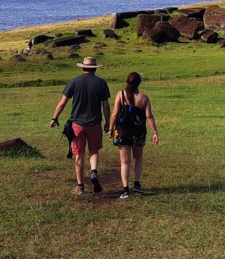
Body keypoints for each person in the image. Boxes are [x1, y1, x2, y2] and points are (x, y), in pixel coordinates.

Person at [49, 56, 111, 197]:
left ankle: (80, 186)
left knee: (79, 154)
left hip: (77, 124)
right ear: (94, 68)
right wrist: (108, 123)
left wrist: (55, 117)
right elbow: (106, 105)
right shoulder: (101, 83)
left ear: (82, 67)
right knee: (94, 150)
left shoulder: (74, 82)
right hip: (95, 123)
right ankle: (94, 171)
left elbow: (62, 102)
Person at [110, 71, 160, 199]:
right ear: (139, 83)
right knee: (138, 159)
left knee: (125, 162)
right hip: (139, 131)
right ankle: (137, 184)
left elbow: (115, 113)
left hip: (123, 131)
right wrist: (155, 132)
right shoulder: (144, 98)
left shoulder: (120, 94)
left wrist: (110, 128)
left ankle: (126, 190)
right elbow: (149, 116)